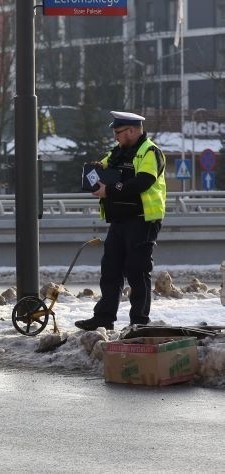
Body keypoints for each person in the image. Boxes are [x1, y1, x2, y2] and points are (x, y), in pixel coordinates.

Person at [75, 111, 166, 331]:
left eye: (118, 132)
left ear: (132, 130)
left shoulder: (150, 152)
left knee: (137, 270)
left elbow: (142, 182)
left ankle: (139, 322)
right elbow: (102, 168)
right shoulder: (118, 153)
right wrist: (93, 176)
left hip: (142, 219)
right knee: (110, 269)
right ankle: (104, 319)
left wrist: (111, 190)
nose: (115, 137)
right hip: (119, 220)